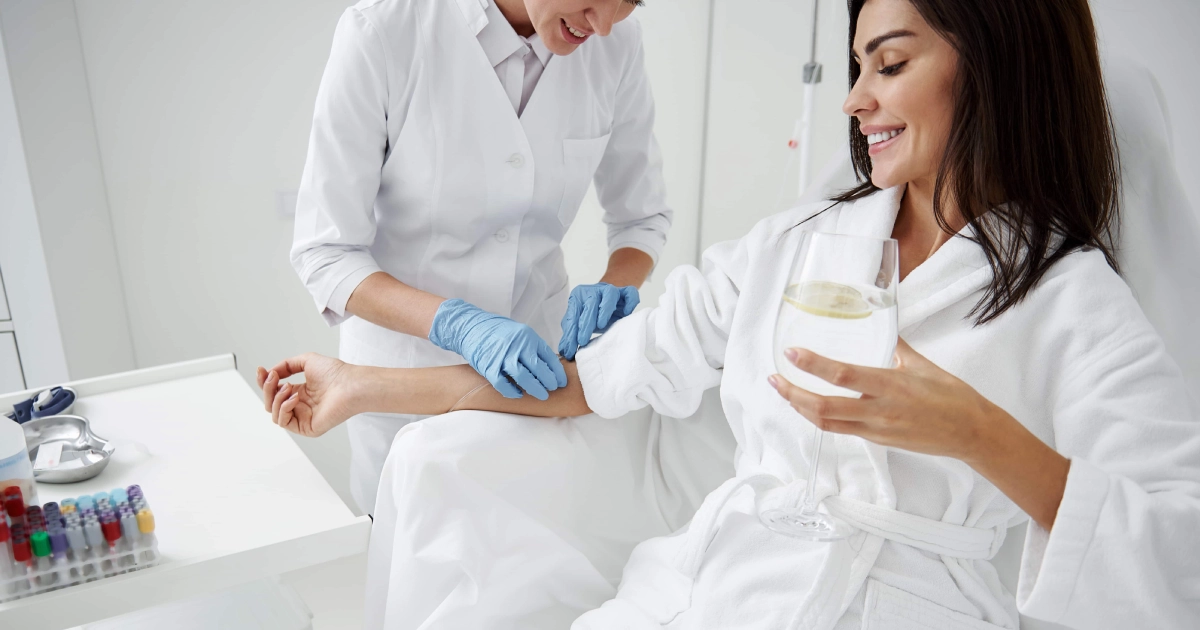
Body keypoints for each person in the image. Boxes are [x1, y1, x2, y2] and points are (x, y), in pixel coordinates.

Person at [262, 0, 1200, 627]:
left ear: (994, 67)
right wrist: (364, 381)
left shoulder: (1073, 301)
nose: (855, 98)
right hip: (717, 582)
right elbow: (596, 379)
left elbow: (1179, 554)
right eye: (858, 64)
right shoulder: (798, 244)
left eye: (892, 63)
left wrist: (980, 433)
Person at [288, 0, 671, 515]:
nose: (601, 25)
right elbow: (326, 252)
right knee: (411, 569)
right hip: (400, 383)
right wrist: (458, 324)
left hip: (535, 378)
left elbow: (641, 219)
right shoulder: (383, 32)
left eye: (628, 3)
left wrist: (617, 283)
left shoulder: (615, 48)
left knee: (528, 559)